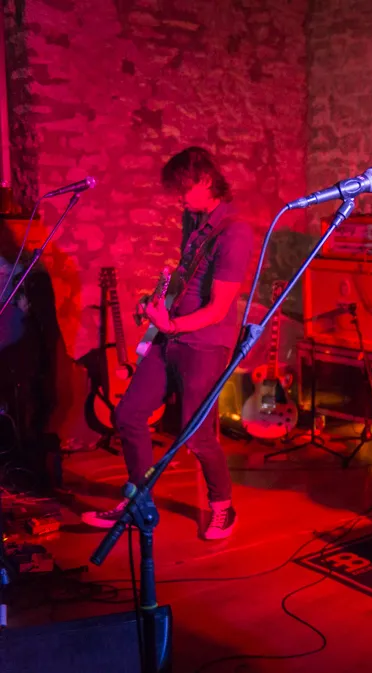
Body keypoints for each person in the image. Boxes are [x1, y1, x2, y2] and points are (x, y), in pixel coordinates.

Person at [82, 146, 253, 540]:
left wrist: (171, 324)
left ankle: (223, 507)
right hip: (170, 334)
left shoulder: (235, 232)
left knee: (196, 435)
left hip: (204, 346)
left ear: (207, 181)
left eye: (185, 188)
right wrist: (155, 302)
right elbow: (184, 278)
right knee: (126, 415)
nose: (180, 197)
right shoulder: (192, 220)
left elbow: (217, 308)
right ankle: (138, 501)